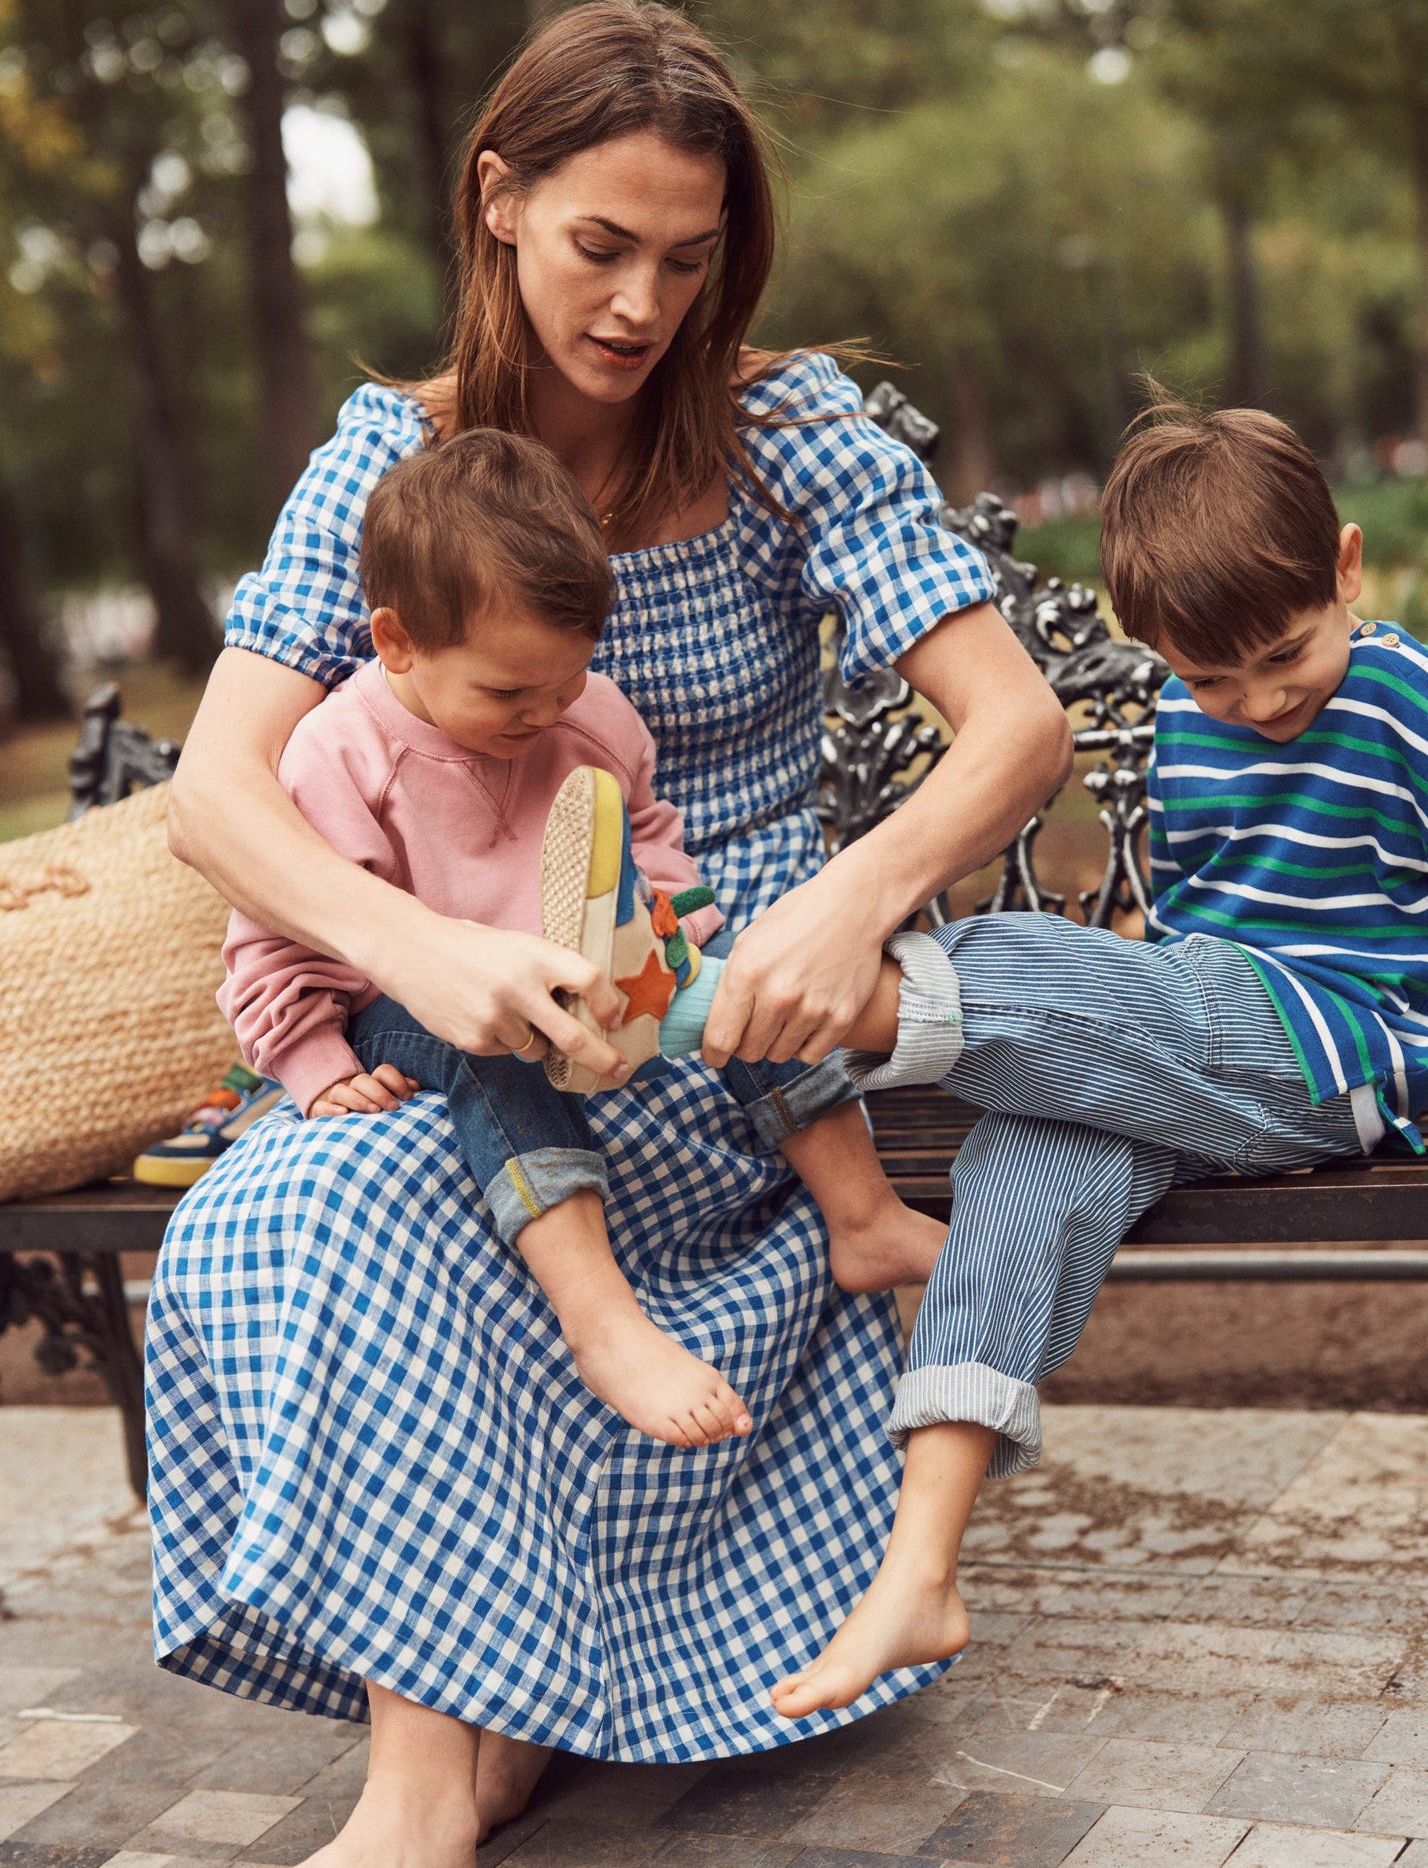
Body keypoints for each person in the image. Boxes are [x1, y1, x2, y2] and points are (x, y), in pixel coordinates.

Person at [150, 6, 1071, 1862]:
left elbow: (1022, 728)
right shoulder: (391, 464)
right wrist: (420, 954)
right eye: (600, 244)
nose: (643, 303)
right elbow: (213, 792)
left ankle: (451, 1768)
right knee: (311, 1200)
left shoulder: (787, 429)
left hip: (719, 1030)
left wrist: (845, 892)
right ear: (499, 199)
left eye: (689, 256)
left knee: (444, 1186)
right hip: (470, 1015)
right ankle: (438, 1772)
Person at [770, 391, 1420, 1720]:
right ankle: (920, 1568)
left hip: (1341, 1051)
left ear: (1344, 568)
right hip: (1199, 1043)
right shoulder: (1188, 725)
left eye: (1283, 656)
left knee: (1028, 965)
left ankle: (779, 1007)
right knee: (1030, 1164)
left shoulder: (1409, 705)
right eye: (1205, 679)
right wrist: (1128, 1026)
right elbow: (1184, 920)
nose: (1252, 702)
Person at [221, 426, 951, 1451]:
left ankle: (861, 1213)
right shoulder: (338, 750)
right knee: (497, 1055)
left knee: (741, 989)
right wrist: (309, 1057)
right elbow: (273, 932)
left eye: (563, 680)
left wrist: (675, 950)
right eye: (506, 692)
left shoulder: (591, 716)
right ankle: (601, 1321)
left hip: (592, 982)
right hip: (415, 1010)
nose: (543, 712)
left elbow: (648, 849)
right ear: (396, 643)